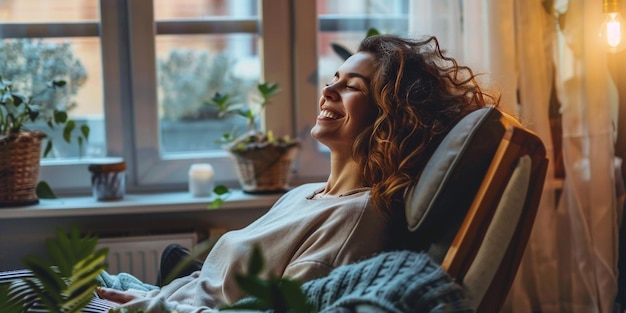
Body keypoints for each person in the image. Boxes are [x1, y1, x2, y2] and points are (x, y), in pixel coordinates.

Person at [21, 34, 497, 312]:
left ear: (391, 115)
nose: (329, 91)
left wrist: (155, 306)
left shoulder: (358, 218)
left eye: (351, 87)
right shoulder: (307, 193)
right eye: (333, 80)